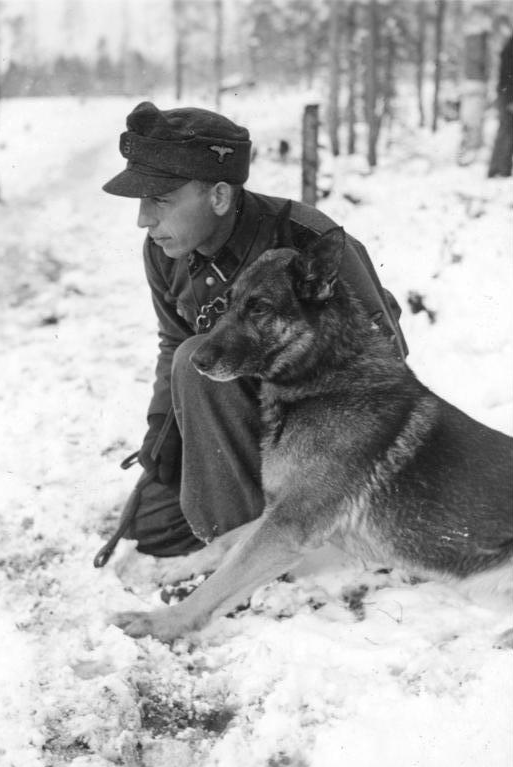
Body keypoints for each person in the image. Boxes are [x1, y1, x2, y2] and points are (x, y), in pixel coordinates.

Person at [101, 101, 408, 560]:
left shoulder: (306, 240)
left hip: (321, 439)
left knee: (196, 359)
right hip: (233, 424)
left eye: (159, 200)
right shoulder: (164, 251)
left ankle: (247, 557)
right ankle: (247, 523)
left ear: (219, 197)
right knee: (154, 530)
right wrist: (158, 430)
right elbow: (171, 341)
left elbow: (386, 364)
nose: (144, 220)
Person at [488, 27, 513, 178]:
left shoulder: (509, 46)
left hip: (506, 94)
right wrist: (510, 99)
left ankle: (502, 169)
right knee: (506, 131)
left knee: (506, 130)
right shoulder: (510, 48)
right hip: (507, 96)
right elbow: (508, 75)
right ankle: (498, 170)